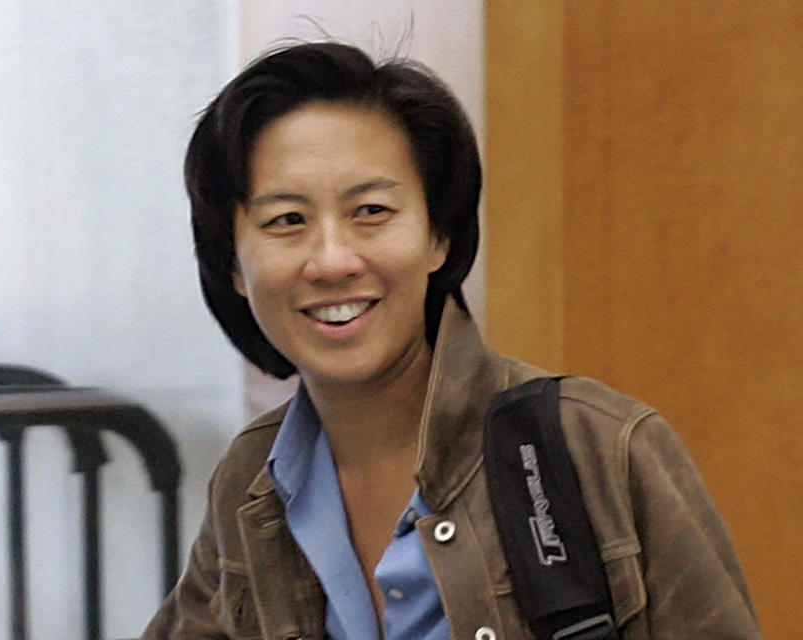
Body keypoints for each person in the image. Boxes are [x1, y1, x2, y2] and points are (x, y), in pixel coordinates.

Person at [142, 42, 759, 639]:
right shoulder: (253, 481)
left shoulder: (601, 448)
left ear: (439, 236)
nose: (332, 261)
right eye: (286, 221)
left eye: (372, 211)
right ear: (233, 266)